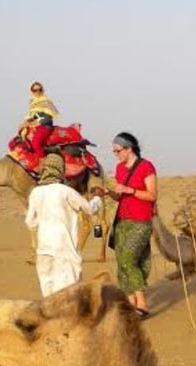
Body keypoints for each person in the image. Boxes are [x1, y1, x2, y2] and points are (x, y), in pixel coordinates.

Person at [91, 132, 157, 318]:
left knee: (129, 259)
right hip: (122, 220)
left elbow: (152, 195)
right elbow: (119, 196)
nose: (116, 154)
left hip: (141, 220)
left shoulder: (146, 166)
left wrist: (130, 189)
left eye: (118, 150)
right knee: (122, 263)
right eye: (114, 152)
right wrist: (108, 192)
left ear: (129, 148)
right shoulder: (120, 169)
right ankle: (130, 303)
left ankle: (142, 303)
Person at [25, 155, 102, 298]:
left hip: (44, 250)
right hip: (65, 250)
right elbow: (90, 209)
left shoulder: (36, 193)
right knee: (69, 295)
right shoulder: (65, 191)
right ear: (61, 170)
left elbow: (30, 222)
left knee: (48, 295)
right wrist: (98, 198)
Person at [9, 81, 60, 155]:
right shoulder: (32, 102)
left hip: (45, 126)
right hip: (32, 127)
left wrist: (35, 123)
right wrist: (24, 124)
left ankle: (42, 161)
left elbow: (48, 118)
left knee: (35, 143)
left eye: (40, 90)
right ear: (32, 91)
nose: (38, 92)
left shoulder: (46, 101)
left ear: (42, 90)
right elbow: (32, 117)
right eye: (35, 90)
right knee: (12, 143)